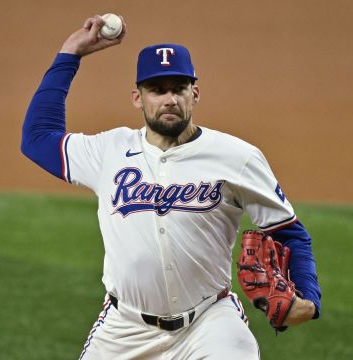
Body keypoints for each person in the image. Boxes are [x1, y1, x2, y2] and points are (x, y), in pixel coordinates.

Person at [22, 15, 321, 360]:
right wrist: (69, 54)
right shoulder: (108, 151)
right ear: (137, 97)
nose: (169, 99)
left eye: (178, 89)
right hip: (125, 328)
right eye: (157, 90)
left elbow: (289, 232)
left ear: (194, 93)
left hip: (210, 321)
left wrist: (309, 299)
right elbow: (37, 138)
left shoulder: (237, 157)